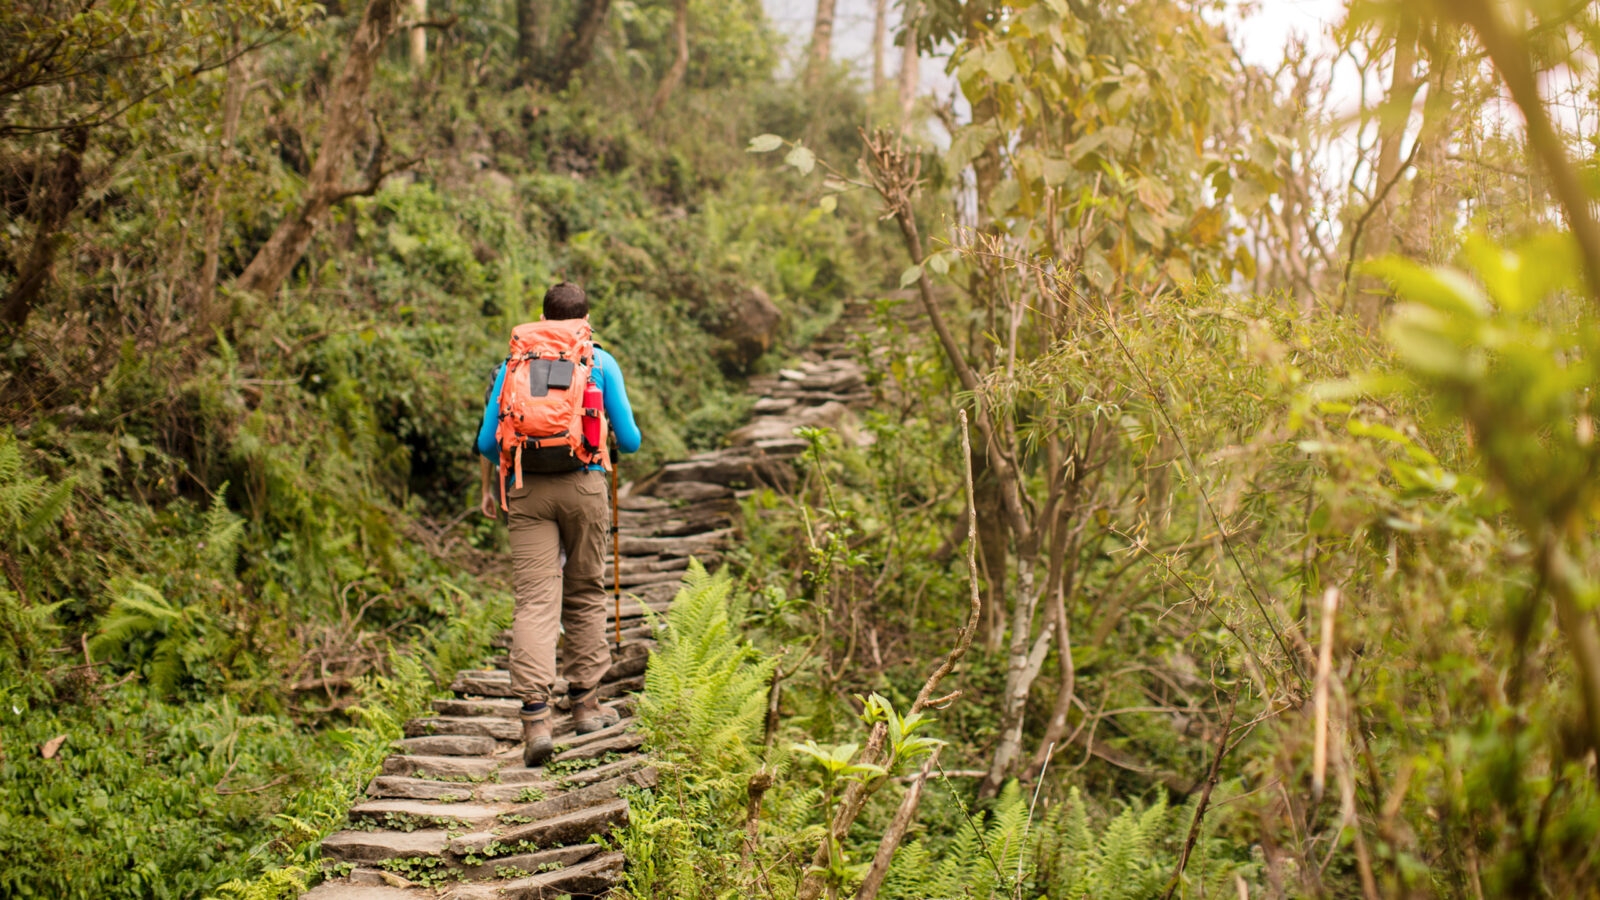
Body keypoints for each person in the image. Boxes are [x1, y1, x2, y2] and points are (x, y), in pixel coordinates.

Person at [475, 281, 642, 766]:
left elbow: (488, 443)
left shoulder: (514, 364)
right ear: (585, 317)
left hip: (525, 488)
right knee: (586, 591)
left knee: (533, 601)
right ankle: (586, 706)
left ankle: (536, 720)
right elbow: (628, 441)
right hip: (586, 483)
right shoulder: (600, 362)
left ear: (543, 317)